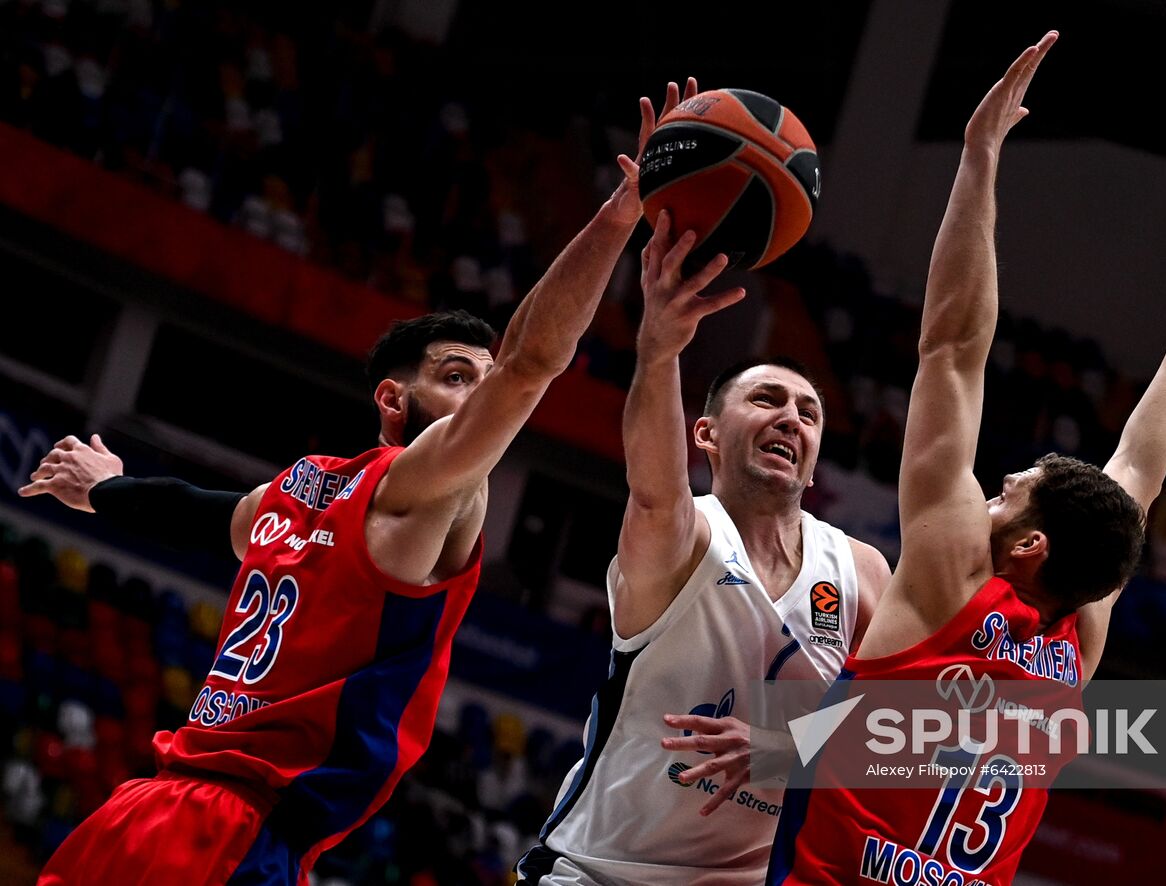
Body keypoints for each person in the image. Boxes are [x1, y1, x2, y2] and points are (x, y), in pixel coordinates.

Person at [19, 80, 688, 885]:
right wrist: (619, 214)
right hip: (230, 836)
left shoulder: (298, 490)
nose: (477, 398)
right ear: (392, 398)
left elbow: (202, 514)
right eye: (453, 377)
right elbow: (530, 362)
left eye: (480, 381)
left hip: (143, 813)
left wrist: (105, 489)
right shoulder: (425, 492)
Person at [766, 31, 1166, 885]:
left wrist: (978, 157)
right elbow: (1138, 476)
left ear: (1028, 547)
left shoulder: (950, 580)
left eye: (1014, 491)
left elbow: (952, 350)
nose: (998, 484)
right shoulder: (1079, 638)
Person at [516, 140, 892, 884]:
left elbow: (902, 734)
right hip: (598, 875)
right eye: (768, 400)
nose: (792, 418)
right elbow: (653, 485)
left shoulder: (858, 569)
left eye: (810, 413)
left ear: (816, 458)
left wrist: (785, 751)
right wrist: (659, 351)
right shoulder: (682, 533)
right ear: (708, 435)